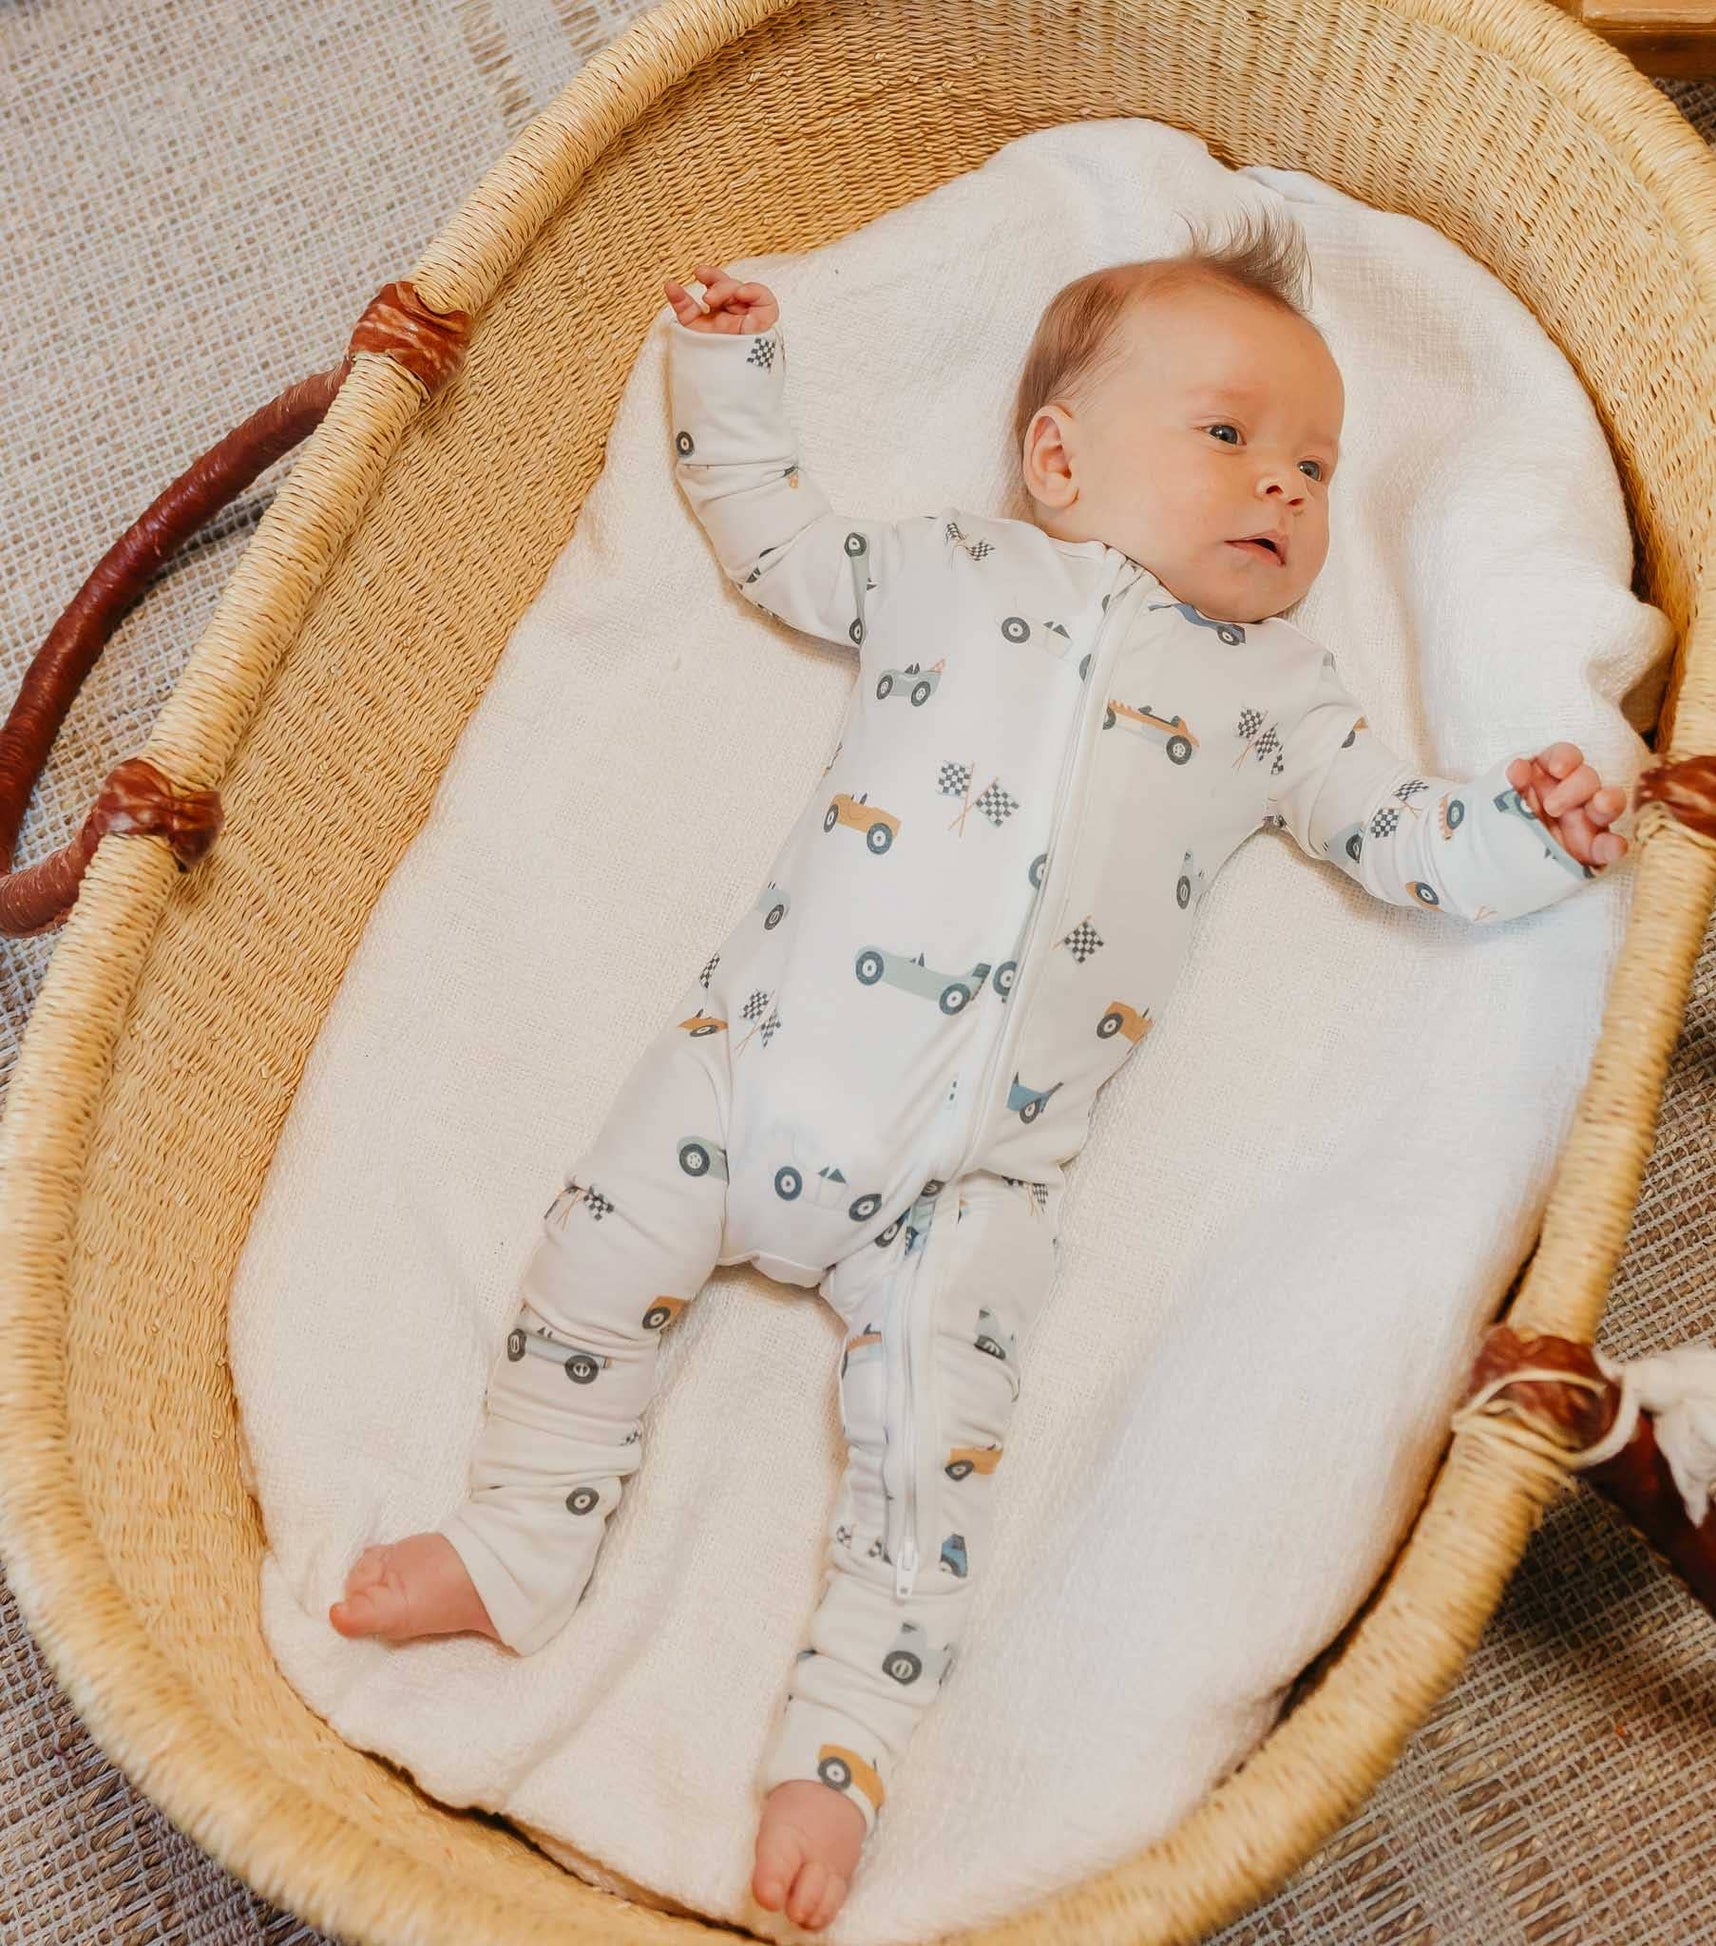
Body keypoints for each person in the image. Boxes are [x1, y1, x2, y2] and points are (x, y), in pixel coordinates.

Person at [329, 206, 1631, 1933]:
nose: (1284, 484)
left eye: (1317, 465)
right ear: (1058, 460)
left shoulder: (1280, 694)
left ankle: (839, 1745)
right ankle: (515, 1540)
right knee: (594, 1253)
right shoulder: (949, 569)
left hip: (974, 1182)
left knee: (933, 1452)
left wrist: (1534, 830)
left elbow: (1401, 836)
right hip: (750, 1072)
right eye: (1229, 432)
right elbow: (770, 537)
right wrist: (727, 364)